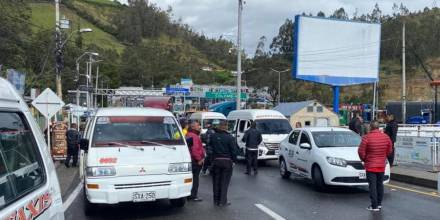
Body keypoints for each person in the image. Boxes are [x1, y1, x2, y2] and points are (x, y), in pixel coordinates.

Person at [358, 121, 393, 212]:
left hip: (370, 165)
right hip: (381, 164)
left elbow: (361, 151)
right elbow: (390, 150)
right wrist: (383, 156)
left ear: (370, 127)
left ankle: (374, 206)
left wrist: (365, 159)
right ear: (378, 128)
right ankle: (379, 203)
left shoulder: (366, 137)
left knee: (372, 185)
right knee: (379, 184)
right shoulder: (386, 137)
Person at [210, 121, 237, 206]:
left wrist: (211, 160)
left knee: (216, 181)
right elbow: (234, 151)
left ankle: (216, 200)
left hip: (216, 161)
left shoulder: (213, 136)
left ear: (219, 126)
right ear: (226, 127)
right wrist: (234, 161)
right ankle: (222, 201)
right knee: (224, 182)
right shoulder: (230, 137)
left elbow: (210, 148)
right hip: (227, 161)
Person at [186, 121, 205, 202]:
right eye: (198, 125)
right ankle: (193, 196)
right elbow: (194, 150)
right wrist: (199, 159)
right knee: (195, 179)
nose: (199, 127)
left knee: (191, 178)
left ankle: (189, 194)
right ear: (193, 127)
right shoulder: (194, 136)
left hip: (190, 159)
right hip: (195, 161)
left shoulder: (188, 134)